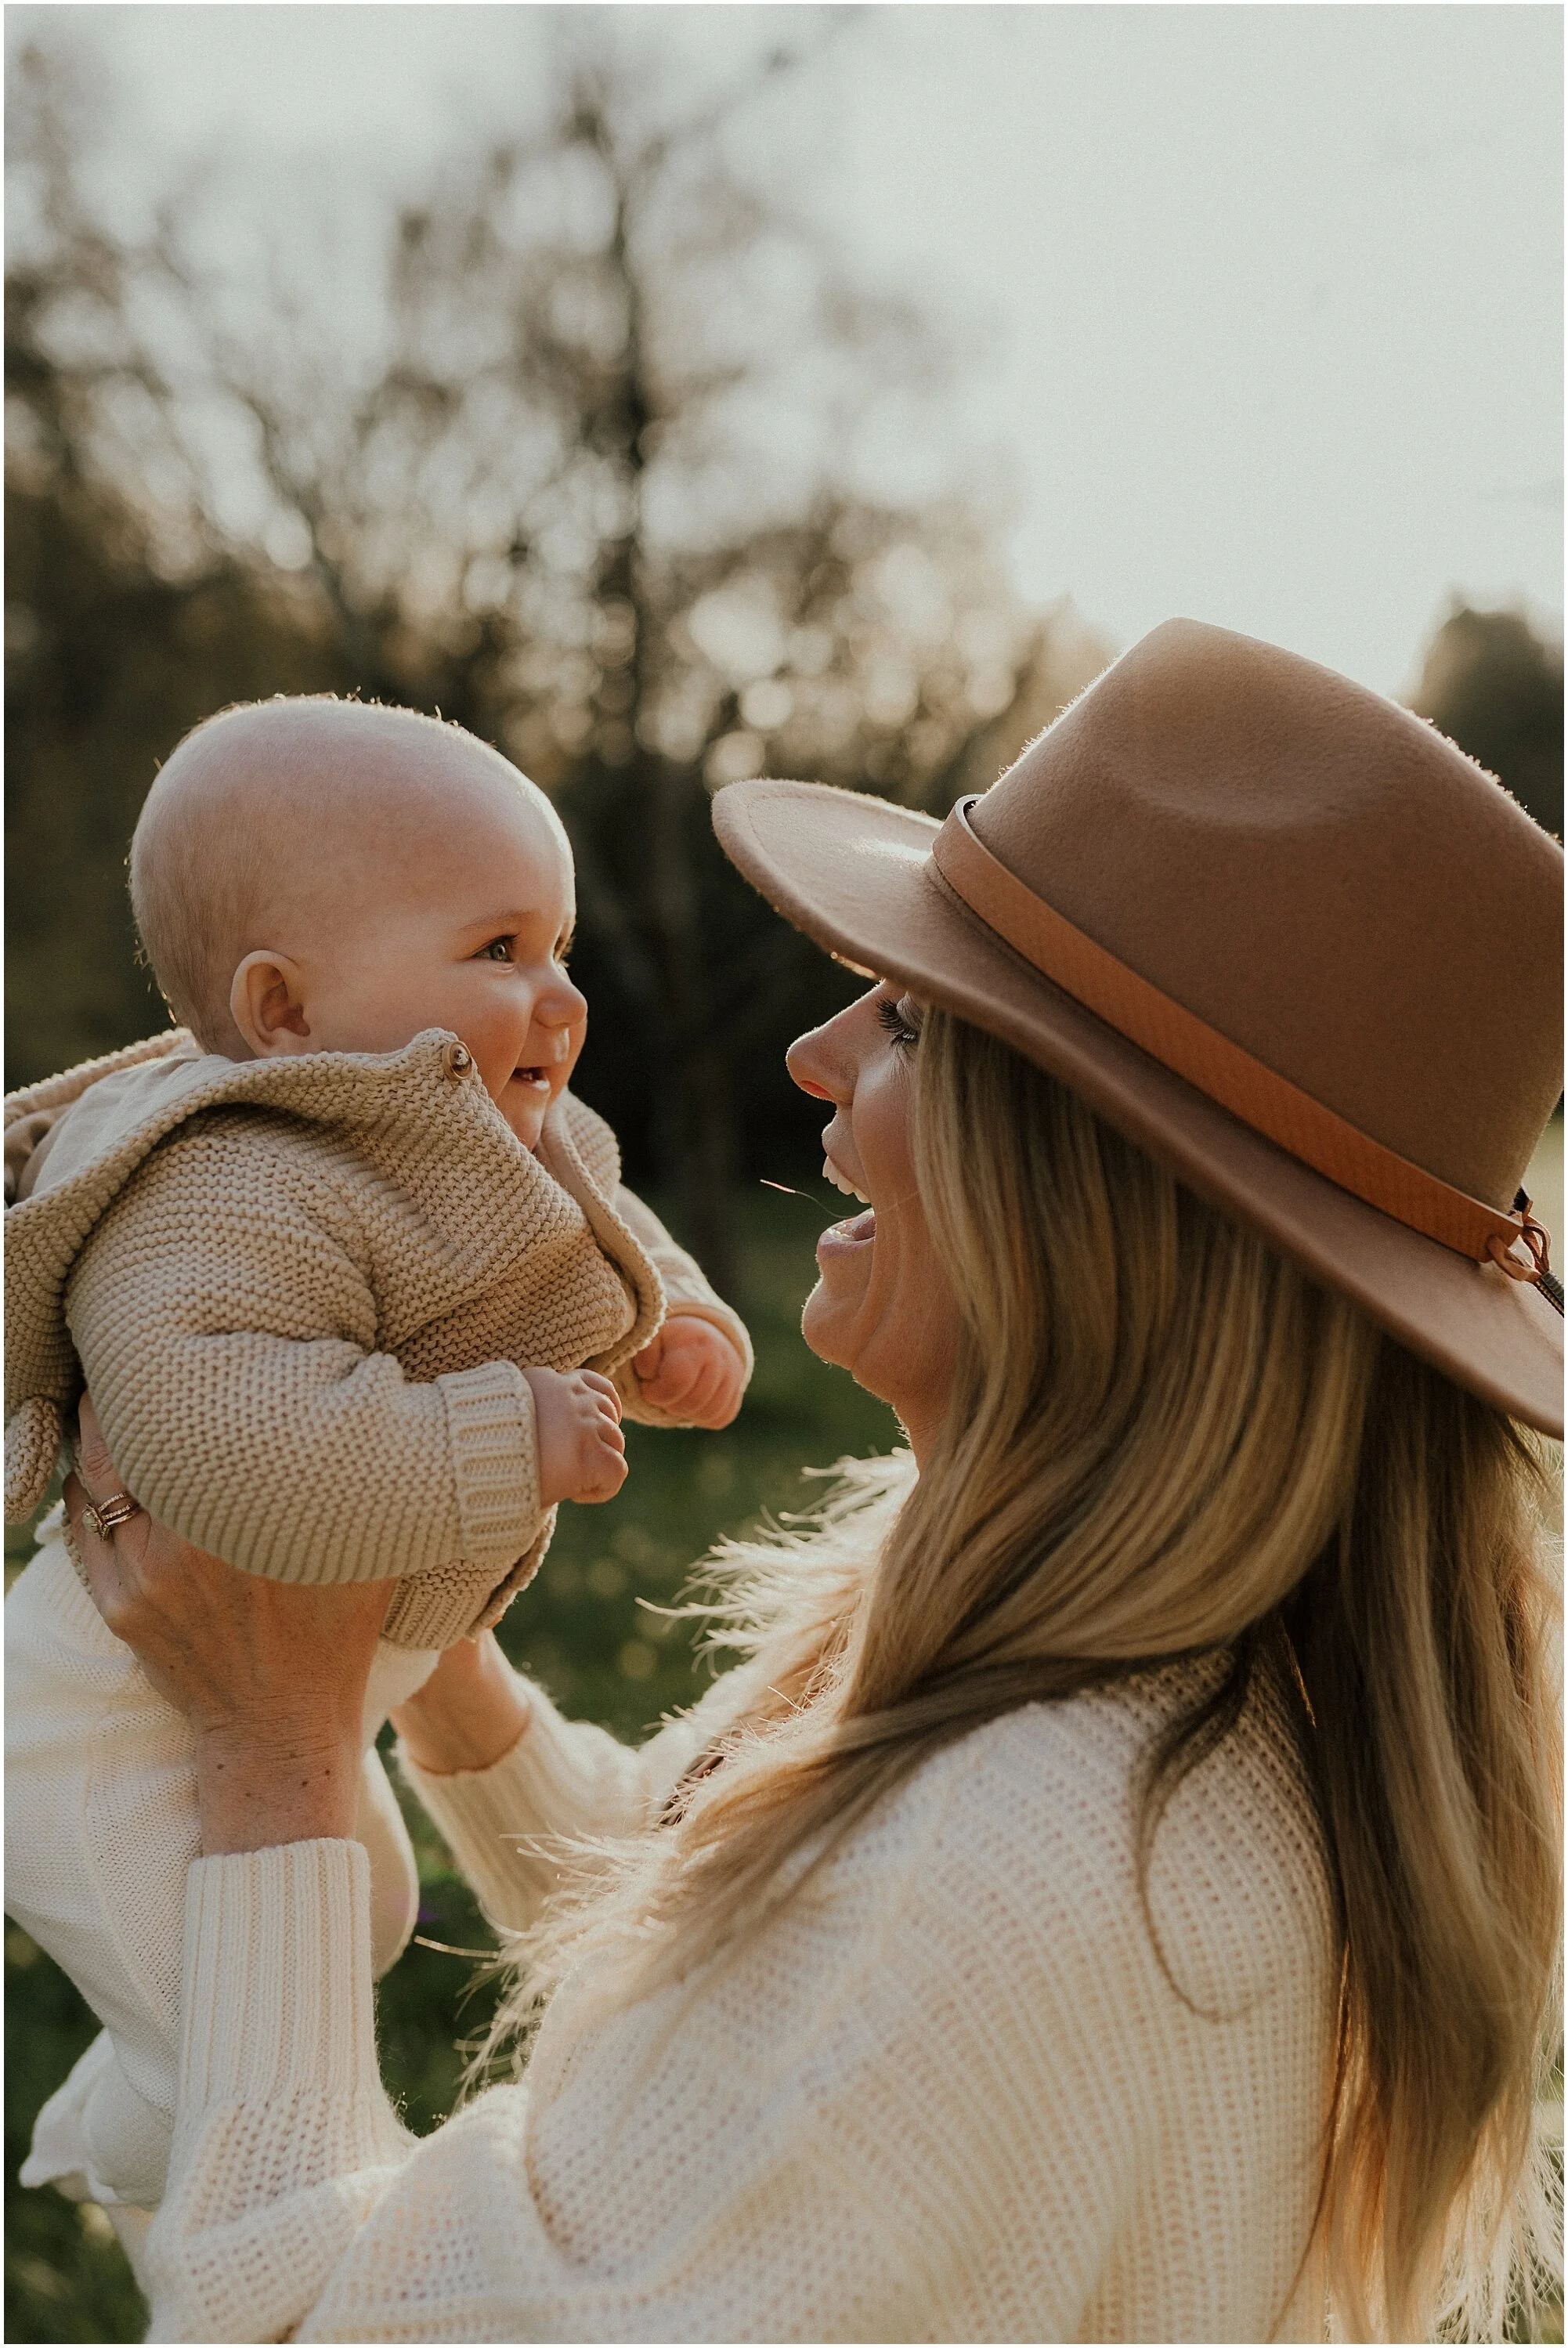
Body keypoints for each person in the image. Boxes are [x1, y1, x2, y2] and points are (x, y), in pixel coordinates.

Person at [60, 622, 1562, 2342]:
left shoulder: (1007, 1872)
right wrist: (436, 1681)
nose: (818, 1049)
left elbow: (286, 2327)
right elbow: (738, 2002)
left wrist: (275, 1763)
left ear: (1091, 1184)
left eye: (916, 1019)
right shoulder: (1166, 1710)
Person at [3, 697, 752, 2228]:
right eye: (496, 950)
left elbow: (598, 1225)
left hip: (326, 1674)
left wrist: (668, 1321)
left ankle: (127, 2116)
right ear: (281, 1009)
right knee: (226, 2023)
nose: (556, 997)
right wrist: (497, 1438)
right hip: (104, 1723)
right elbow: (223, 1440)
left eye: (558, 949)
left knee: (367, 1923)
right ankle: (128, 2159)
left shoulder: (496, 1132)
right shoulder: (220, 1184)